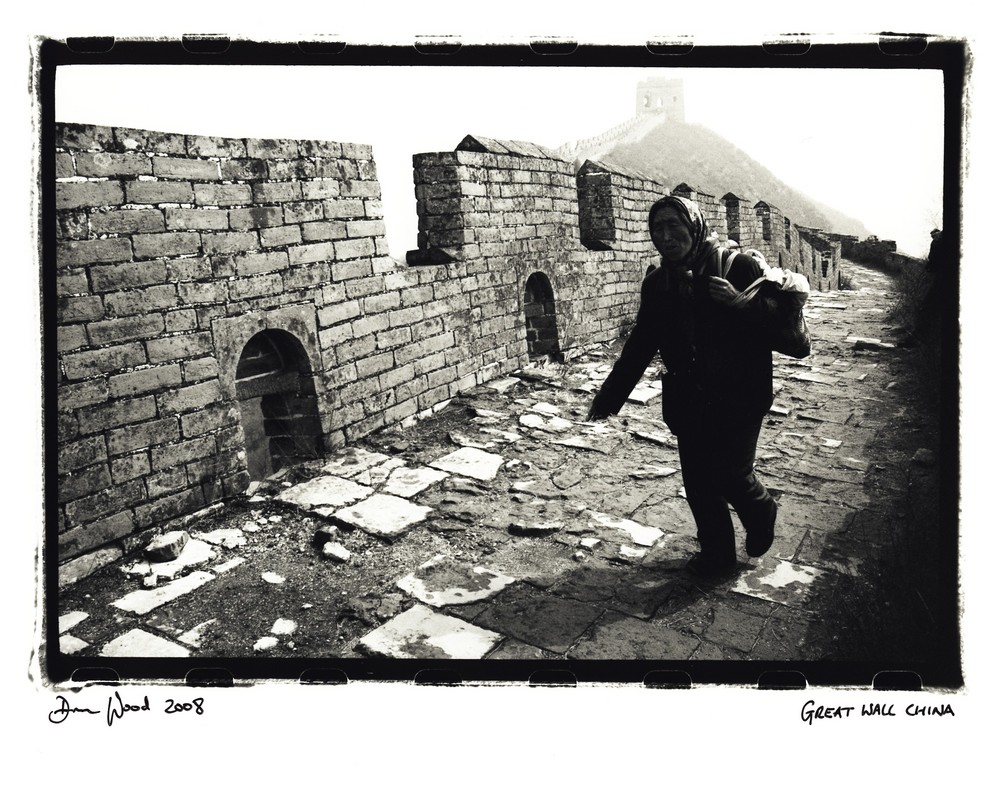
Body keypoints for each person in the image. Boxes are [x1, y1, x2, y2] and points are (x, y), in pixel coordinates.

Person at [586, 195, 779, 579]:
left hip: (740, 394)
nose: (666, 236)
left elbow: (781, 321)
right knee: (698, 482)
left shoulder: (738, 267)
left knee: (731, 473)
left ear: (694, 225)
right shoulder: (658, 284)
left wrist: (744, 305)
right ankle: (717, 555)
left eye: (674, 225)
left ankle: (761, 511)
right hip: (689, 398)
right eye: (657, 228)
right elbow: (642, 343)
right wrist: (609, 398)